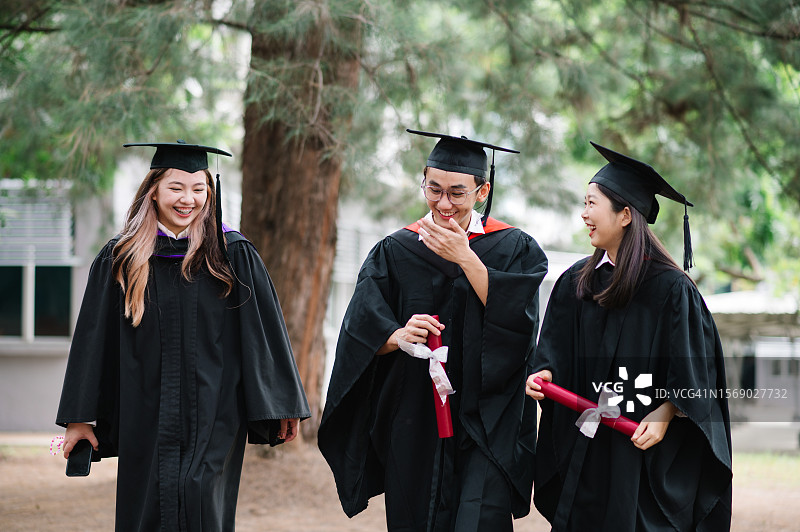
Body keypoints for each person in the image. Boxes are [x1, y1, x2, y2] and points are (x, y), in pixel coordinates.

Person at [56, 140, 311, 532]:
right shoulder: (122, 257)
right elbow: (93, 340)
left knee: (201, 498)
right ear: (153, 189)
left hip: (216, 410)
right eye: (176, 187)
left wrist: (280, 402)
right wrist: (79, 418)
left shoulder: (231, 253)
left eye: (198, 188)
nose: (188, 199)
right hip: (144, 410)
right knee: (148, 507)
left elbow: (262, 331)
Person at [318, 129, 548, 531]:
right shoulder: (396, 249)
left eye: (457, 193)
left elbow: (521, 327)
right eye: (434, 189)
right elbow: (360, 327)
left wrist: (465, 258)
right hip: (415, 417)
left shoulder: (514, 248)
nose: (444, 203)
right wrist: (396, 336)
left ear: (482, 190)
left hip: (487, 419)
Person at [526, 142, 732, 531]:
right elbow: (552, 351)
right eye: (583, 203)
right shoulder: (576, 281)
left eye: (592, 204)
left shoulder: (671, 290)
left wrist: (667, 412)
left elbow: (696, 375)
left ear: (624, 215)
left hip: (641, 453)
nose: (584, 214)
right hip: (586, 447)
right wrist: (545, 375)